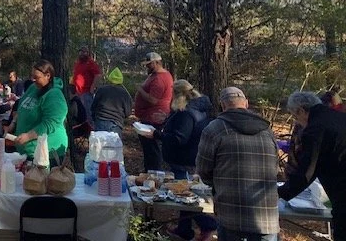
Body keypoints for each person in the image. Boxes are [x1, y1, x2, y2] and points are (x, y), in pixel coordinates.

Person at [196, 87, 279, 241]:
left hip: (230, 214)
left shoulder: (214, 129)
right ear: (246, 104)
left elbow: (203, 169)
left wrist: (218, 184)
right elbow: (275, 167)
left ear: (223, 105)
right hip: (266, 216)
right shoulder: (267, 130)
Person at [142, 79, 216, 241]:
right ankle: (184, 229)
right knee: (184, 195)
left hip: (183, 159)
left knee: (183, 198)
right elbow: (181, 128)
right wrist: (167, 119)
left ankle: (207, 224)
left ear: (177, 95)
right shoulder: (196, 109)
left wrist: (156, 134)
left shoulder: (187, 113)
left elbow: (179, 138)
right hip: (188, 157)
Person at [278, 91, 346, 240]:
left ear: (301, 111)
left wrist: (280, 192)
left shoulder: (315, 129)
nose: (297, 122)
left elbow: (307, 172)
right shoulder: (340, 117)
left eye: (296, 117)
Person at [11, 60, 68, 163]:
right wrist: (12, 124)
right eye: (32, 76)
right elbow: (22, 108)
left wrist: (28, 136)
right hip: (27, 152)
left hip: (47, 154)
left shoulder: (54, 95)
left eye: (36, 77)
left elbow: (51, 123)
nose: (33, 80)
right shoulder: (33, 87)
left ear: (48, 75)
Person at [134, 52, 173, 171]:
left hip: (153, 118)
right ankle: (149, 171)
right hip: (148, 116)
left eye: (149, 64)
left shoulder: (160, 79)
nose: (147, 66)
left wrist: (140, 90)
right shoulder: (154, 75)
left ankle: (153, 172)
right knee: (148, 149)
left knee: (152, 149)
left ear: (157, 63)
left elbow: (153, 100)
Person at [91, 67, 132, 138]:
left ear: (109, 79)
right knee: (113, 147)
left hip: (100, 121)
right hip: (115, 124)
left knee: (99, 147)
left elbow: (93, 106)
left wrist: (94, 118)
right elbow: (128, 113)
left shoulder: (101, 90)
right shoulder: (124, 93)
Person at [72, 46, 101, 126]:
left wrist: (93, 87)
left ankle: (92, 129)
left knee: (89, 113)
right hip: (77, 93)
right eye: (81, 52)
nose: (82, 53)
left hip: (86, 93)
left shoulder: (90, 63)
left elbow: (98, 75)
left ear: (88, 53)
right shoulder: (78, 63)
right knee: (79, 113)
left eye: (84, 52)